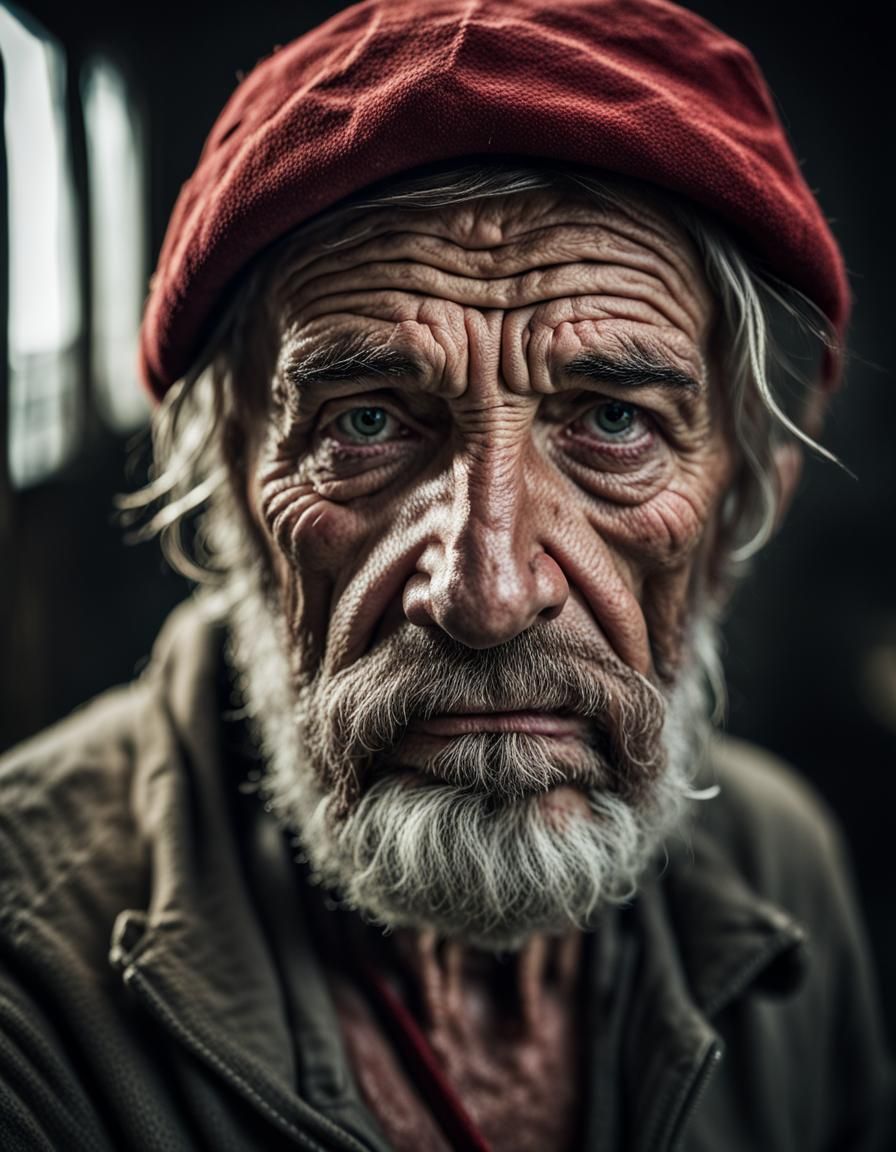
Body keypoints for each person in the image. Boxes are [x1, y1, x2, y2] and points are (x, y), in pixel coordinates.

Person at [0, 0, 891, 1148]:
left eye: (612, 421)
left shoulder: (782, 866)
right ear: (228, 486)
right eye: (365, 420)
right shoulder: (30, 992)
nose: (488, 593)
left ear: (735, 501)